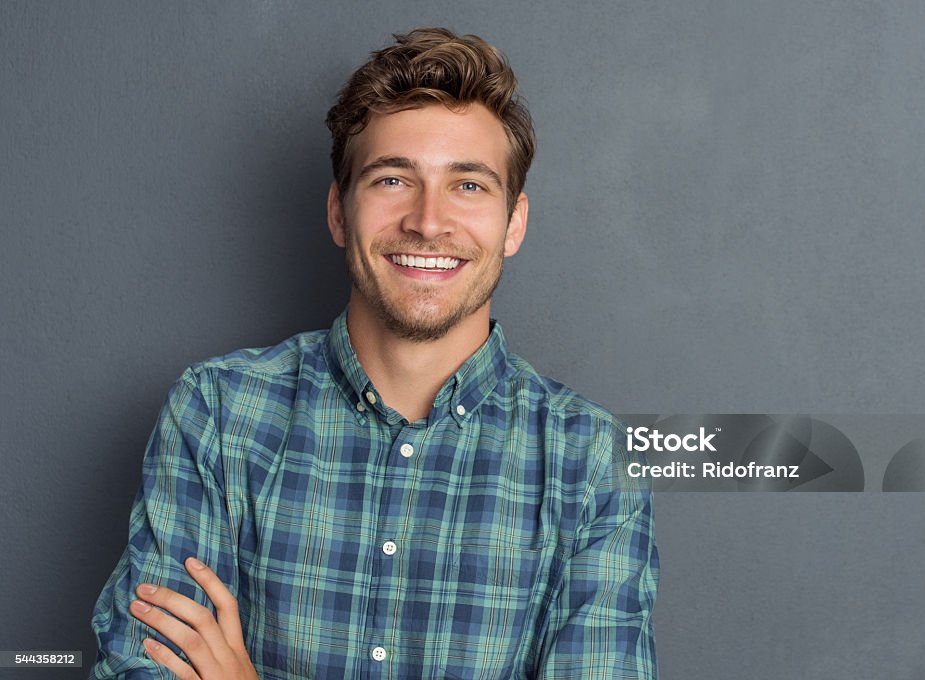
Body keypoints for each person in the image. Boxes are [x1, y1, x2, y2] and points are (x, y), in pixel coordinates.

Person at [90, 27, 659, 679]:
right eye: (393, 179)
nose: (427, 219)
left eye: (468, 186)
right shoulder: (218, 414)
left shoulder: (592, 459)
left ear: (514, 224)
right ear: (339, 212)